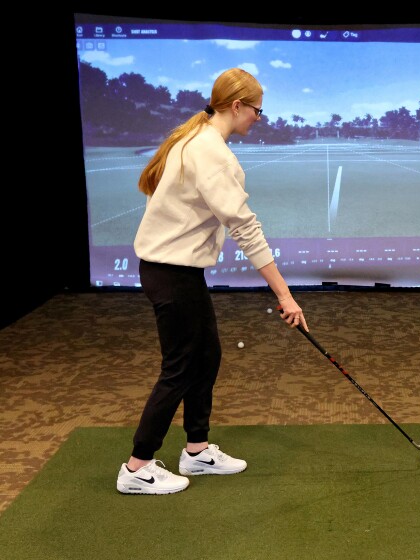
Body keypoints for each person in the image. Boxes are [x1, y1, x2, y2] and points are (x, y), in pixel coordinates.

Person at [116, 68, 308, 495]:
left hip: (176, 271)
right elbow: (246, 229)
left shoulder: (198, 138)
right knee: (180, 368)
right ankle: (136, 467)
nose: (259, 117)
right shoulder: (212, 153)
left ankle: (197, 451)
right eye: (257, 110)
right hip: (171, 274)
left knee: (207, 356)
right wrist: (286, 295)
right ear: (237, 106)